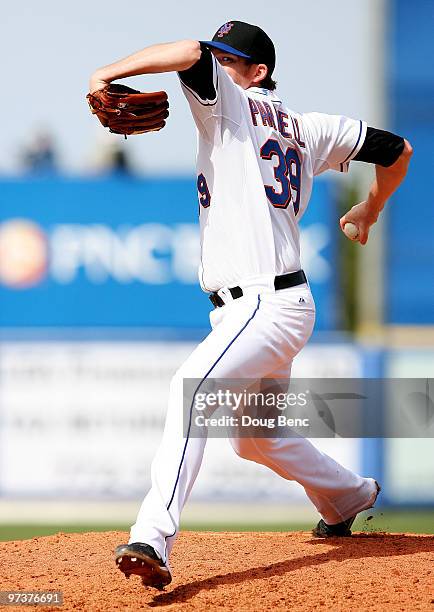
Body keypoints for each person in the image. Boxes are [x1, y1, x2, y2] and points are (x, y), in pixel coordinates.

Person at [89, 21, 412, 589]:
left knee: (190, 390)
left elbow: (187, 51)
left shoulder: (230, 106)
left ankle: (152, 536)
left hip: (264, 303)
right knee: (257, 435)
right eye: (216, 58)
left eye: (224, 59)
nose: (211, 66)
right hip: (276, 303)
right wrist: (371, 208)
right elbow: (397, 149)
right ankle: (346, 496)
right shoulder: (312, 128)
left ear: (256, 71)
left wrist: (107, 72)